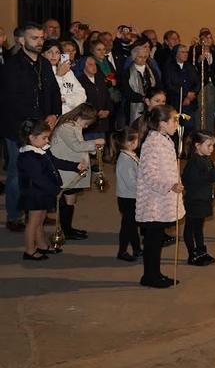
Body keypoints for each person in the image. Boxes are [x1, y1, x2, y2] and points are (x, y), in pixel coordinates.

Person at [2, 23, 63, 233]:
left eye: (41, 38)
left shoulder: (44, 64)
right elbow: (11, 101)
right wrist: (35, 126)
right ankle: (14, 215)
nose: (39, 41)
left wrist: (55, 113)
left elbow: (54, 92)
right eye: (34, 38)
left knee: (39, 174)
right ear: (21, 40)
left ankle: (35, 212)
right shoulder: (11, 66)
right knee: (17, 174)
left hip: (42, 129)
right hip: (19, 130)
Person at [135, 106, 185, 288]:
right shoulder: (153, 143)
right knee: (153, 241)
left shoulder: (164, 139)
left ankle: (155, 273)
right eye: (174, 121)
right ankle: (150, 276)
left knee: (156, 240)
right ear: (162, 124)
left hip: (162, 199)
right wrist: (169, 186)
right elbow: (148, 174)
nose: (176, 124)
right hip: (154, 202)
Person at [18, 119, 79, 260]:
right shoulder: (28, 156)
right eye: (44, 138)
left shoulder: (41, 150)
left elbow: (55, 162)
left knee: (40, 221)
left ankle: (42, 245)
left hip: (43, 193)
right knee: (33, 222)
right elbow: (38, 178)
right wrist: (55, 189)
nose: (47, 141)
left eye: (47, 137)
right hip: (34, 194)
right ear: (31, 138)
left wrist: (74, 166)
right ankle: (29, 250)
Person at [49, 104, 105, 240]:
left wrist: (93, 148)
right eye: (86, 123)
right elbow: (76, 145)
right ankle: (66, 230)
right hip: (66, 168)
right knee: (69, 199)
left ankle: (67, 228)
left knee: (70, 200)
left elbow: (79, 143)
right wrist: (94, 142)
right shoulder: (66, 127)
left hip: (72, 167)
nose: (86, 127)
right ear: (80, 116)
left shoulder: (73, 126)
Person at [181, 130, 215, 267]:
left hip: (203, 199)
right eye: (208, 145)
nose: (211, 149)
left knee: (199, 227)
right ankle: (192, 254)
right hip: (194, 200)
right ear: (197, 145)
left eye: (213, 146)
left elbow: (210, 175)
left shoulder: (206, 159)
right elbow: (197, 179)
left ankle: (201, 250)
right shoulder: (194, 162)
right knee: (191, 227)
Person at [109, 129, 142, 261]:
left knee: (132, 225)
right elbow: (131, 182)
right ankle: (122, 251)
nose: (138, 142)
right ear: (130, 143)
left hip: (131, 196)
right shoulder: (125, 160)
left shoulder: (130, 155)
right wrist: (143, 188)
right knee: (127, 226)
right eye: (137, 140)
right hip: (128, 198)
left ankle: (137, 249)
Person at [122, 43, 161, 125]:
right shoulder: (127, 72)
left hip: (152, 106)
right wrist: (142, 99)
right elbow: (126, 91)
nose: (143, 59)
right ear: (134, 57)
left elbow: (158, 86)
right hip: (133, 105)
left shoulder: (152, 71)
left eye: (145, 57)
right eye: (140, 57)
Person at [163, 44, 200, 129]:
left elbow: (197, 83)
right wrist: (185, 94)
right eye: (182, 52)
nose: (185, 54)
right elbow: (169, 85)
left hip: (189, 104)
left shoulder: (190, 67)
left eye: (186, 52)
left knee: (189, 127)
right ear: (176, 54)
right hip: (174, 102)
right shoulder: (169, 67)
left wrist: (191, 95)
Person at [45, 42, 86, 113]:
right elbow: (50, 96)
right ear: (43, 54)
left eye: (57, 52)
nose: (53, 55)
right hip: (53, 115)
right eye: (49, 52)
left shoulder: (68, 72)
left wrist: (65, 99)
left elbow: (82, 96)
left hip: (71, 116)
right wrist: (59, 76)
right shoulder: (41, 72)